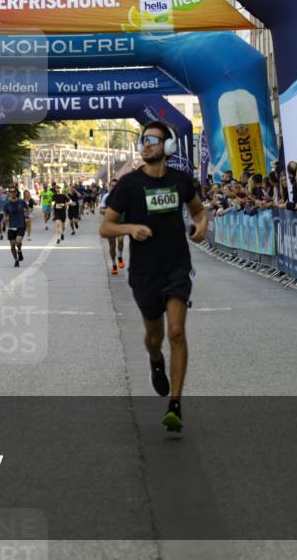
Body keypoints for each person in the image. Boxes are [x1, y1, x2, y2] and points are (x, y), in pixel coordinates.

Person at [99, 121, 208, 433]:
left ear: (168, 147)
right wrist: (129, 228)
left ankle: (175, 405)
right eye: (143, 140)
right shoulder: (129, 185)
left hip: (176, 265)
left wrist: (201, 225)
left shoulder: (181, 180)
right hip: (144, 271)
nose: (145, 145)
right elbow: (106, 227)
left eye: (152, 140)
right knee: (154, 337)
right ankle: (155, 360)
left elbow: (199, 211)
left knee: (176, 331)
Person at [100, 178, 121, 274]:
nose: (114, 188)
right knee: (112, 246)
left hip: (120, 223)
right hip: (109, 223)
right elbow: (101, 210)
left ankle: (119, 256)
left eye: (116, 186)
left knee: (120, 240)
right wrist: (110, 211)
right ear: (109, 186)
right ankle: (114, 264)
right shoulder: (106, 197)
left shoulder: (123, 197)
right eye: (112, 186)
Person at [3, 186, 28, 267]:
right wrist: (5, 220)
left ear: (16, 192)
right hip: (11, 227)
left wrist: (27, 217)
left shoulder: (21, 202)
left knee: (18, 241)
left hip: (21, 225)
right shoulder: (7, 204)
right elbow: (5, 215)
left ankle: (19, 250)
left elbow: (27, 209)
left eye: (14, 191)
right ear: (9, 193)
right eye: (11, 192)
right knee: (12, 245)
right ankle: (16, 260)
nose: (12, 193)